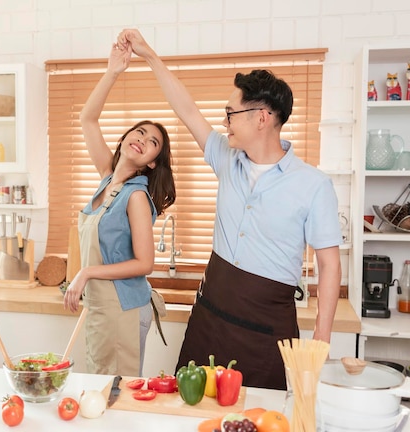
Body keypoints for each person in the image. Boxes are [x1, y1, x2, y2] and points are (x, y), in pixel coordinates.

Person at [118, 29, 342, 390]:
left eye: (230, 114)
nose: (225, 123)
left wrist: (321, 338)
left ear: (261, 117)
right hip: (210, 316)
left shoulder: (313, 185)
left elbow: (330, 265)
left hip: (268, 327)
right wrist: (148, 55)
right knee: (192, 409)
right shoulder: (227, 158)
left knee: (262, 419)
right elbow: (186, 109)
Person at [62, 42, 176, 377]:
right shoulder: (108, 179)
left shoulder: (136, 198)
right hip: (101, 306)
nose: (142, 139)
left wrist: (85, 272)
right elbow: (87, 118)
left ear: (152, 162)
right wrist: (113, 71)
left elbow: (145, 263)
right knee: (101, 389)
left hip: (122, 308)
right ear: (126, 137)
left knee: (115, 396)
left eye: (152, 142)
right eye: (139, 132)